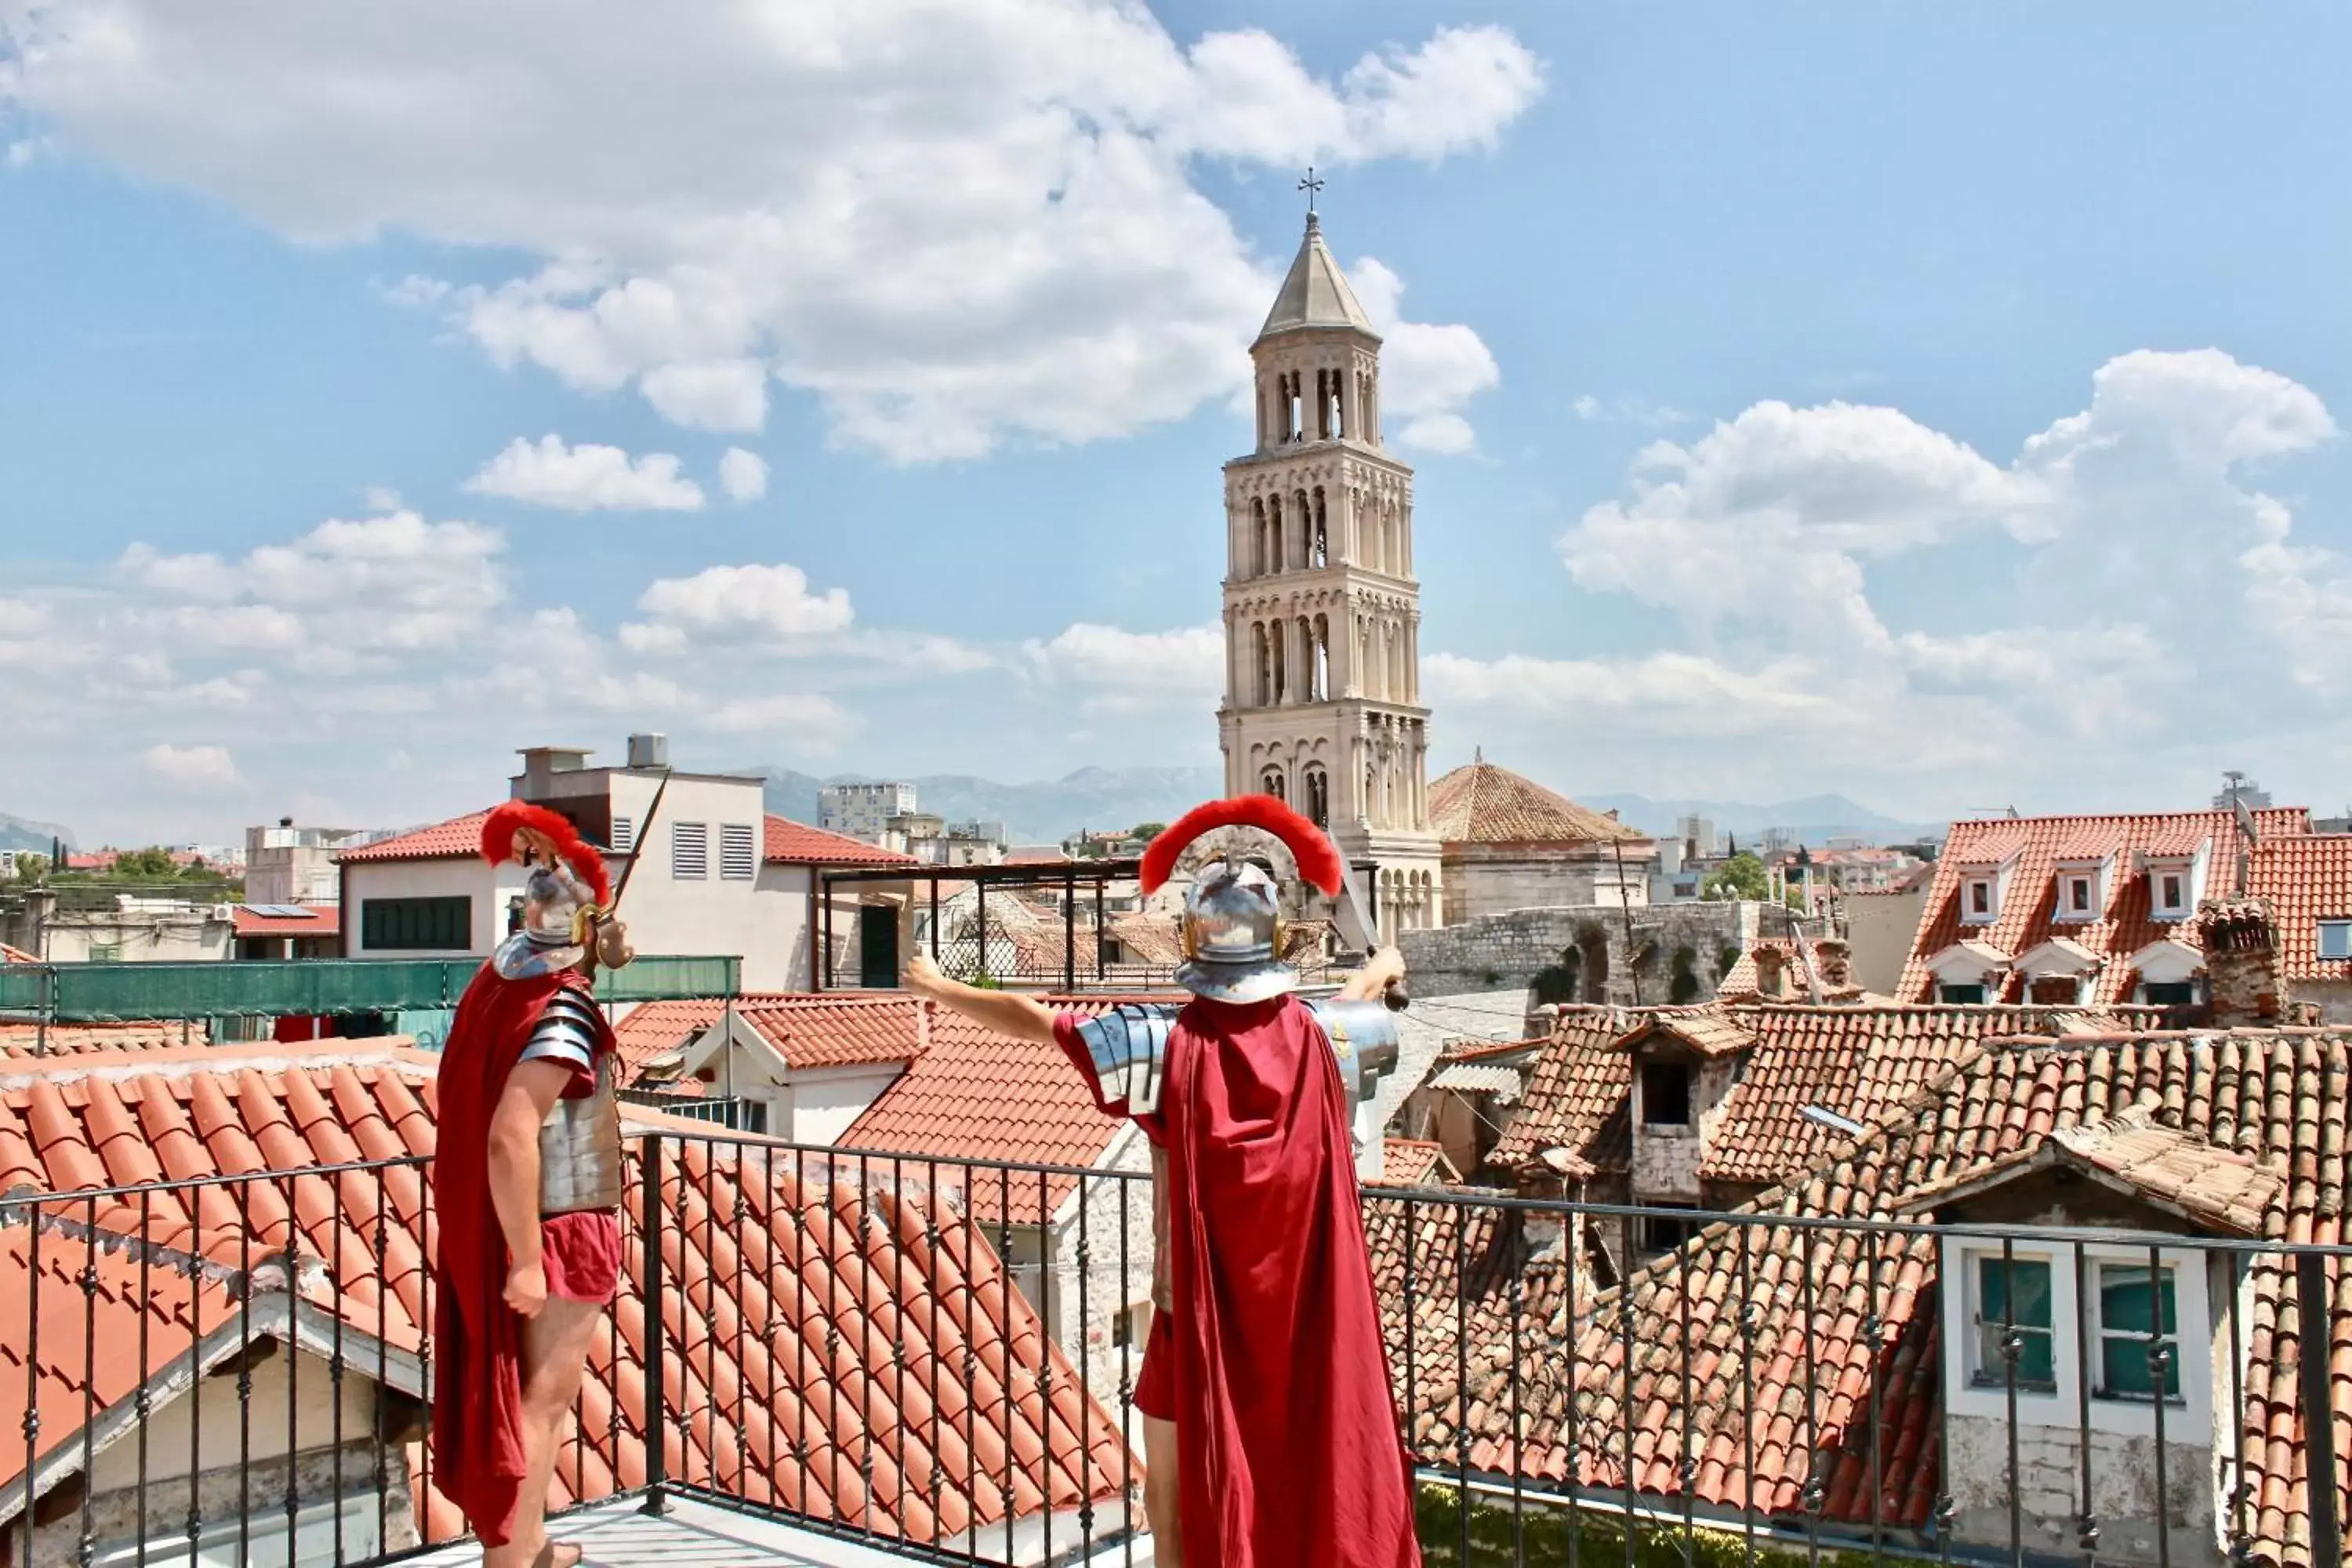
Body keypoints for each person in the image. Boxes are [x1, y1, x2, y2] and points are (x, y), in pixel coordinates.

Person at [904, 794, 1423, 1568]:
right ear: (1277, 939)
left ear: (1194, 938)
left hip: (1190, 1318)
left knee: (1170, 1508)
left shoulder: (1161, 1046)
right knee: (1306, 1476)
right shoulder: (1325, 1038)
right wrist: (1383, 962)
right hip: (1305, 1321)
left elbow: (1032, 1014)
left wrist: (937, 985)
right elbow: (1360, 1003)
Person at [430, 800, 634, 1568]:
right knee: (540, 1403)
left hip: (521, 1220)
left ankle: (532, 1544)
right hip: (558, 1225)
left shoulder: (499, 980)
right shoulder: (564, 1008)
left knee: (526, 1398)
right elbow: (512, 1132)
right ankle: (511, 1562)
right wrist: (524, 1257)